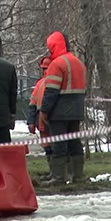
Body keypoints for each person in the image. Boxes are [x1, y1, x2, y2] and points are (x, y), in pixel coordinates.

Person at [38, 31, 87, 185]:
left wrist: (44, 112)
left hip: (59, 112)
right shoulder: (78, 63)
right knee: (74, 142)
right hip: (76, 111)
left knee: (58, 143)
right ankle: (77, 175)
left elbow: (51, 91)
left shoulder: (56, 64)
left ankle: (58, 177)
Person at [27, 56, 53, 178]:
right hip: (42, 121)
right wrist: (31, 122)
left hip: (54, 120)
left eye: (46, 68)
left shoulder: (55, 83)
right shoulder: (40, 84)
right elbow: (32, 103)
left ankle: (59, 173)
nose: (45, 71)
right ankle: (54, 172)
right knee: (48, 147)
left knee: (58, 147)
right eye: (43, 69)